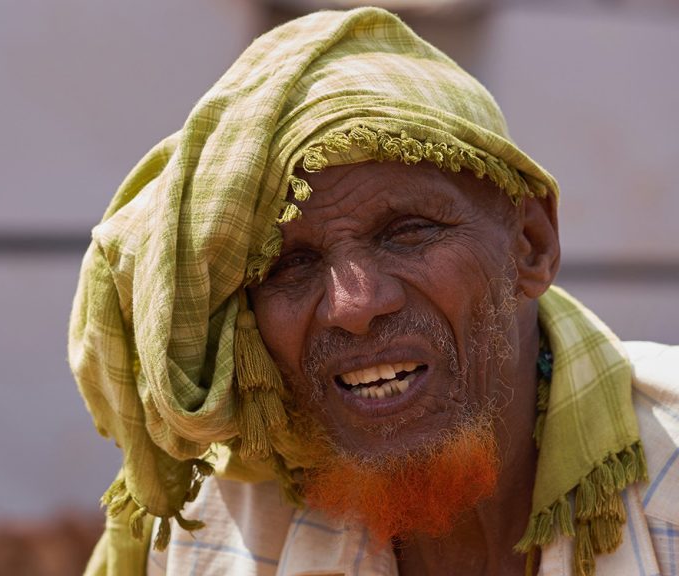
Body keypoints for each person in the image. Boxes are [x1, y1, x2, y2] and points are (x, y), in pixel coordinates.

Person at [68, 7, 678, 576]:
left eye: (408, 232)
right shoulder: (204, 526)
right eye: (289, 265)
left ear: (531, 245)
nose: (354, 307)